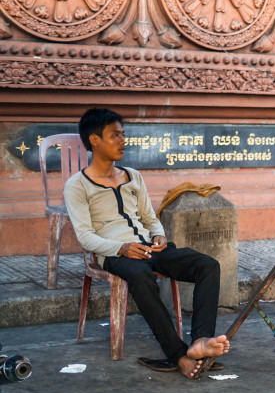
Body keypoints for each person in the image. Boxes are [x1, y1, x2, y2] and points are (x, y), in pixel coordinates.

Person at [64, 108, 229, 378]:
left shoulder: (132, 175)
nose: (122, 141)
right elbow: (85, 236)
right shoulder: (77, 185)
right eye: (114, 136)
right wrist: (121, 248)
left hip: (150, 248)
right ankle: (178, 355)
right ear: (94, 140)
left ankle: (200, 341)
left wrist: (158, 235)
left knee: (207, 265)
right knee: (140, 277)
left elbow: (149, 217)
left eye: (122, 135)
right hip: (117, 254)